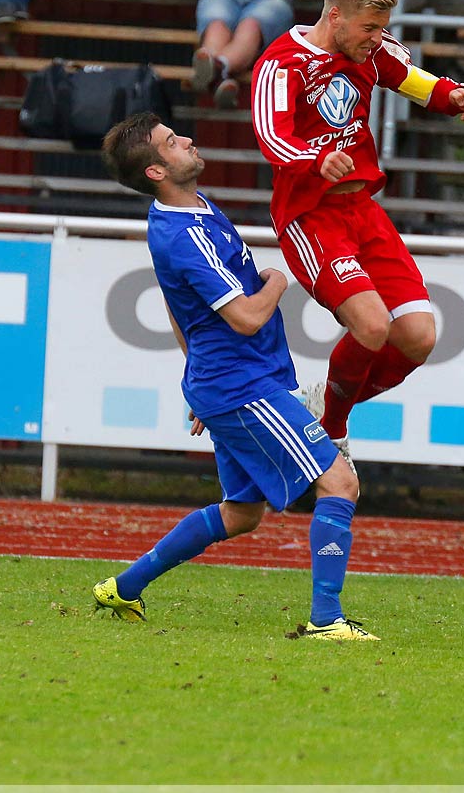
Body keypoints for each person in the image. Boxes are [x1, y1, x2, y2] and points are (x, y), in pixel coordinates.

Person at [94, 113, 373, 641]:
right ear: (157, 171)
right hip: (243, 385)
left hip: (225, 382)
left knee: (242, 513)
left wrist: (197, 376)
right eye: (173, 143)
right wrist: (277, 281)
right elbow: (245, 316)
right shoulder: (182, 237)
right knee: (340, 481)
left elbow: (180, 310)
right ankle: (327, 620)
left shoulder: (190, 209)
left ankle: (123, 588)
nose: (188, 142)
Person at [249, 0, 464, 458]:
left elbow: (415, 80)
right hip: (311, 215)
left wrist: (454, 95)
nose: (379, 38)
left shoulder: (372, 51)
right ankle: (329, 432)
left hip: (363, 212)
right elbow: (272, 135)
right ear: (335, 15)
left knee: (418, 338)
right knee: (373, 326)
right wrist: (316, 158)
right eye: (370, 28)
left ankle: (324, 407)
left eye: (383, 28)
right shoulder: (282, 63)